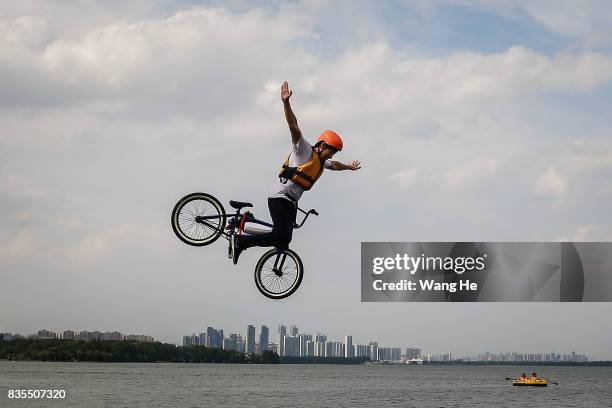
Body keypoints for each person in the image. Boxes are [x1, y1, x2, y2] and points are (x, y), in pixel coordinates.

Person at [230, 81, 361, 264]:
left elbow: (335, 165)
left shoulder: (321, 162)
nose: (332, 155)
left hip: (290, 203)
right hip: (279, 197)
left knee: (284, 240)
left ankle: (247, 222)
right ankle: (241, 241)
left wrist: (348, 167)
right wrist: (286, 103)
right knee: (278, 236)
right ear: (322, 145)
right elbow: (293, 125)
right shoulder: (304, 150)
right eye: (331, 151)